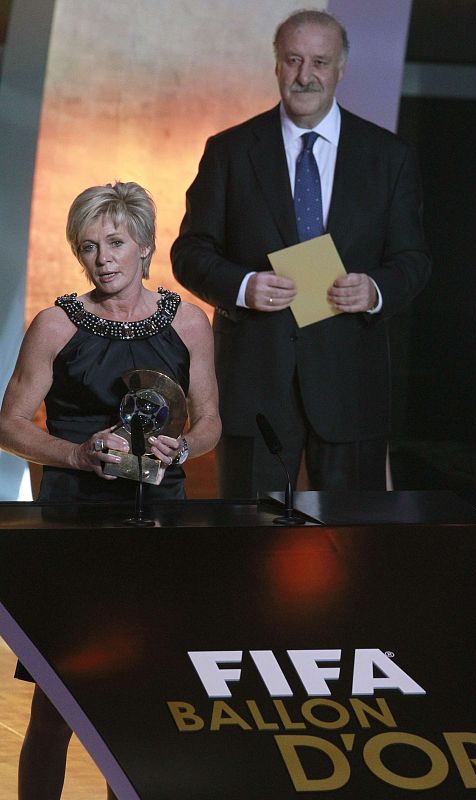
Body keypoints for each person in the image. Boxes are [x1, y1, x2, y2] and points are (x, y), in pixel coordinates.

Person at [0, 180, 221, 799]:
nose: (103, 258)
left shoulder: (189, 323)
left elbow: (210, 423)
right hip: (75, 524)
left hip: (158, 525)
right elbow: (9, 424)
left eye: (116, 242)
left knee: (150, 700)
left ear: (146, 246)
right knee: (57, 703)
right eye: (90, 245)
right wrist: (74, 452)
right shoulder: (55, 324)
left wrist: (183, 446)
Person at [171, 9, 431, 498]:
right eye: (293, 60)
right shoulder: (228, 150)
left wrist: (374, 289)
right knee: (250, 543)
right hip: (255, 384)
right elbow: (189, 251)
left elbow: (413, 260)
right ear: (276, 65)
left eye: (319, 61)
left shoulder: (389, 156)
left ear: (340, 69)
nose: (305, 76)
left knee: (356, 542)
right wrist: (244, 286)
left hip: (352, 386)